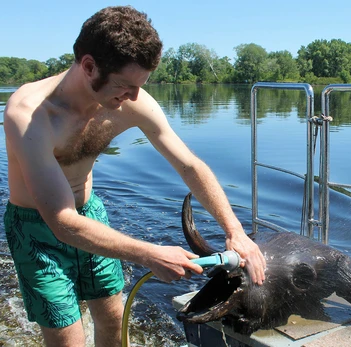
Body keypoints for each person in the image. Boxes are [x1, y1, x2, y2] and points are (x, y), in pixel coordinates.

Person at [3, 5, 266, 347]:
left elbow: (189, 165)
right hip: (38, 228)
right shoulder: (29, 116)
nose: (134, 97)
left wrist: (235, 231)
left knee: (113, 318)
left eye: (140, 86)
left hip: (89, 212)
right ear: (88, 66)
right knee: (68, 341)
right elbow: (62, 221)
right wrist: (149, 253)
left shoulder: (129, 100)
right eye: (125, 86)